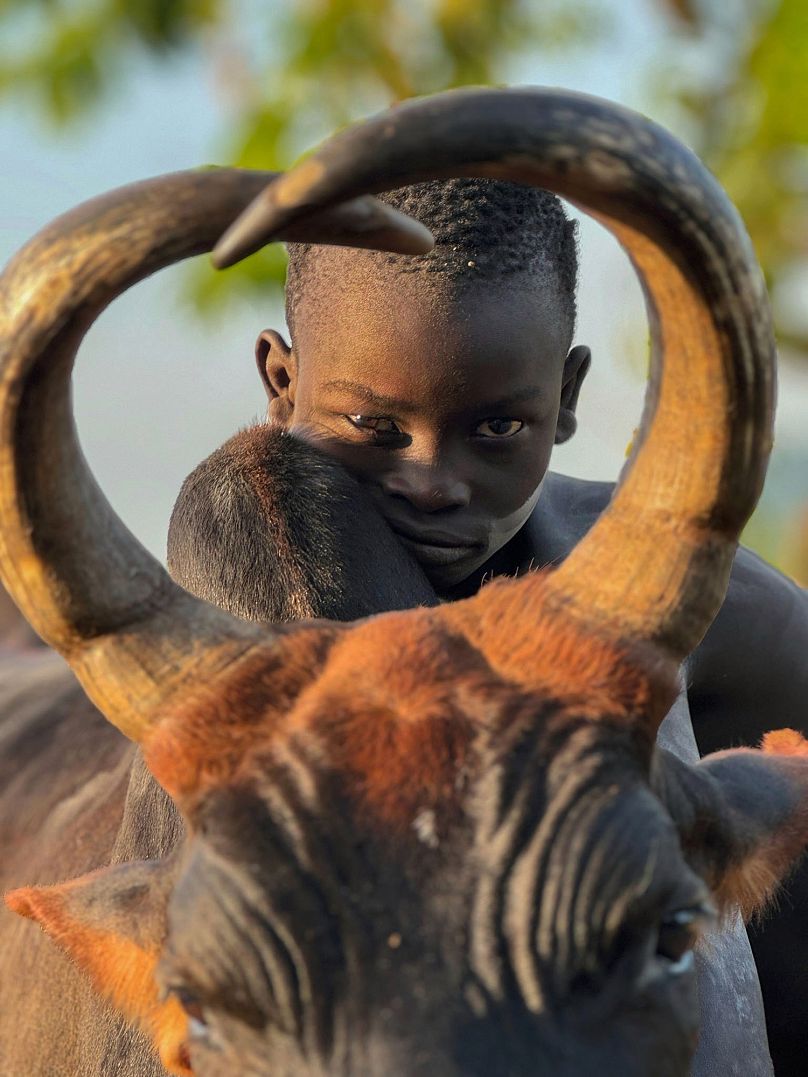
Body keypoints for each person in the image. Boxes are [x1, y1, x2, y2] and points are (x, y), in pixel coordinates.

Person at [170, 177, 808, 1075]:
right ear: (282, 381)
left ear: (568, 391)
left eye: (500, 424)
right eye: (372, 424)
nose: (433, 480)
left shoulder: (677, 588)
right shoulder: (223, 596)